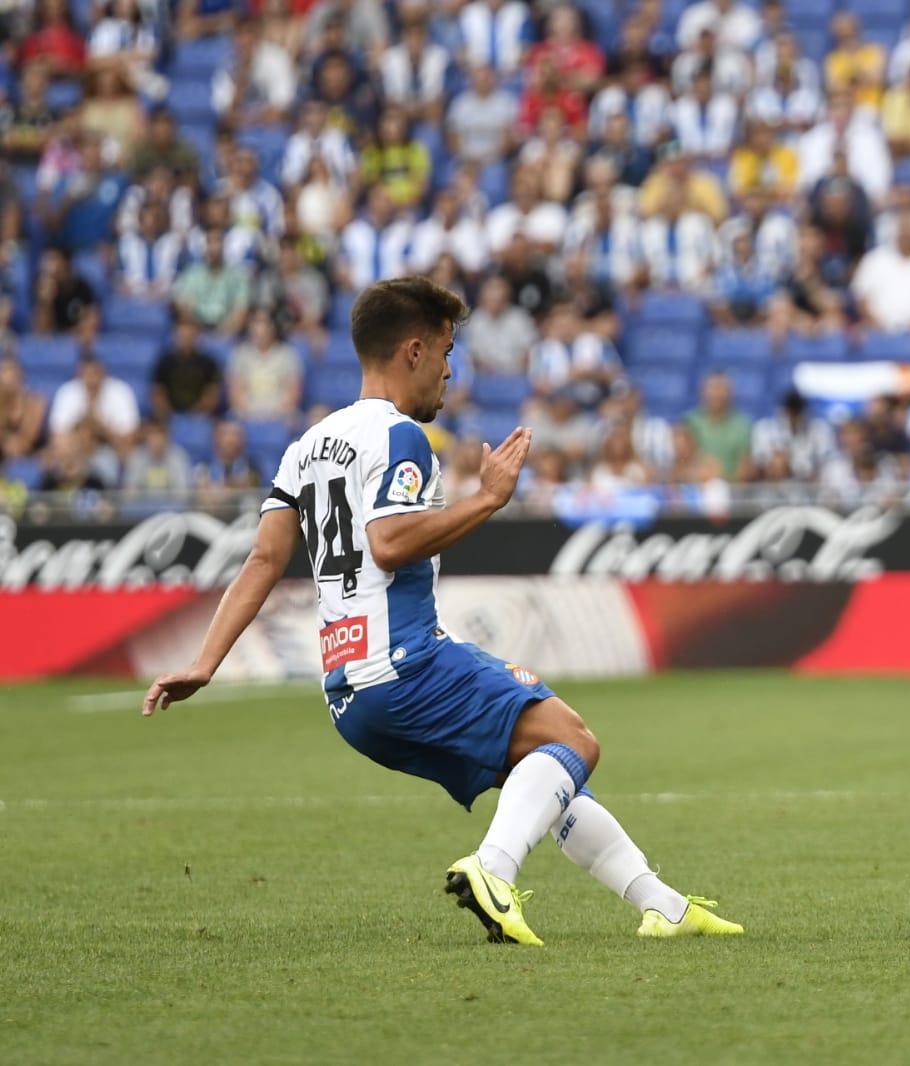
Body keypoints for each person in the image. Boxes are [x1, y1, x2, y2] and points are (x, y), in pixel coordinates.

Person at [141, 278, 743, 946]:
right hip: (404, 663)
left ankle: (660, 904)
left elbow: (262, 561)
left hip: (347, 696)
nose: (451, 372)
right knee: (572, 742)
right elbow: (389, 542)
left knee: (538, 769)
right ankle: (493, 869)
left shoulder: (306, 446)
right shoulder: (401, 437)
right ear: (415, 350)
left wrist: (204, 661)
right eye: (447, 353)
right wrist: (485, 499)